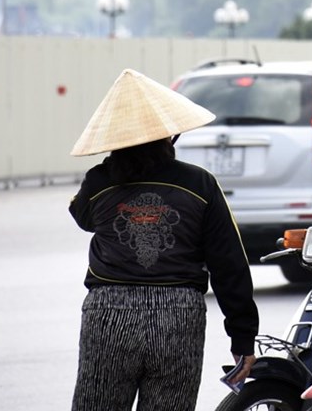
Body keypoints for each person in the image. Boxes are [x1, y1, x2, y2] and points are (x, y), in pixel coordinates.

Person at [68, 69, 259, 411]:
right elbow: (228, 263)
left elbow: (82, 218)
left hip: (108, 313)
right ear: (169, 135)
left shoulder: (99, 182)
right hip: (179, 315)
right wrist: (242, 336)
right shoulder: (201, 185)